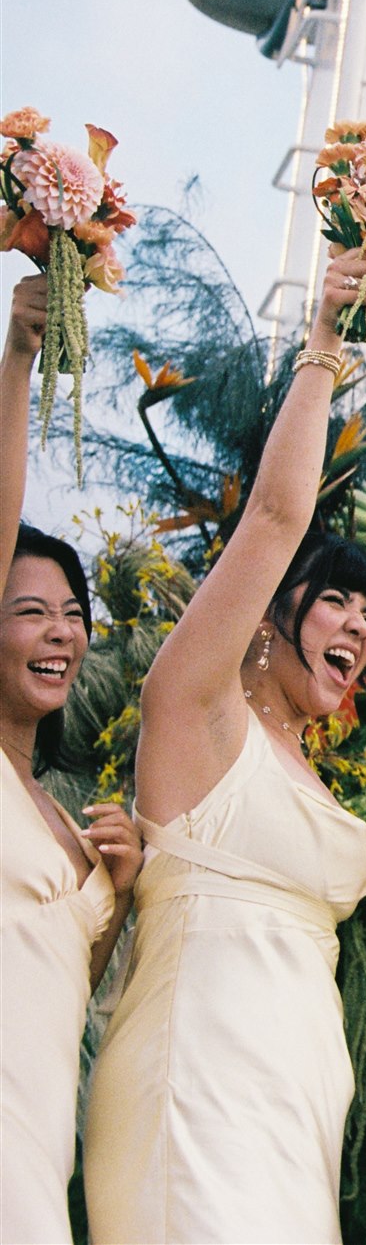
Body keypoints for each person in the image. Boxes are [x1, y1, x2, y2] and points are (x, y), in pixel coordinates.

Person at [83, 250, 366, 1243]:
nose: (358, 626)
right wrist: (325, 347)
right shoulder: (195, 711)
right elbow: (275, 513)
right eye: (335, 597)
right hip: (194, 1076)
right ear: (271, 613)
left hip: (299, 1096)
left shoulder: (319, 778)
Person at [0, 271, 142, 1244]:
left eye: (73, 613)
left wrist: (118, 893)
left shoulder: (59, 810)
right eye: (27, 609)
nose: (62, 632)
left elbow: (59, 977)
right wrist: (18, 358)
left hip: (37, 1146)